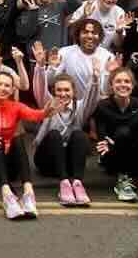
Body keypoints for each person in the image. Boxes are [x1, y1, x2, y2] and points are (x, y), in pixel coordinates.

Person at [0, 67, 54, 220]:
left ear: (12, 90)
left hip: (9, 168)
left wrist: (46, 112)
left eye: (7, 86)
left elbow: (35, 115)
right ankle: (7, 195)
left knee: (18, 138)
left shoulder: (15, 107)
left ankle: (28, 193)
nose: (3, 88)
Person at [92, 66, 138, 221]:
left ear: (133, 85)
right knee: (122, 132)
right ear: (111, 85)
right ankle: (122, 180)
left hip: (133, 156)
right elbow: (102, 138)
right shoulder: (103, 106)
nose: (123, 85)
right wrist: (111, 141)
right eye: (118, 81)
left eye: (127, 81)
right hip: (112, 157)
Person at [32, 72, 93, 207]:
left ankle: (77, 183)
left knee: (80, 135)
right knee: (54, 134)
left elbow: (92, 98)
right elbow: (39, 89)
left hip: (68, 163)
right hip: (47, 161)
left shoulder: (80, 107)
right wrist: (40, 67)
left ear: (73, 92)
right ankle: (64, 184)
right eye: (59, 90)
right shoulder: (48, 103)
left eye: (67, 90)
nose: (63, 94)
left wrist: (95, 78)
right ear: (54, 92)